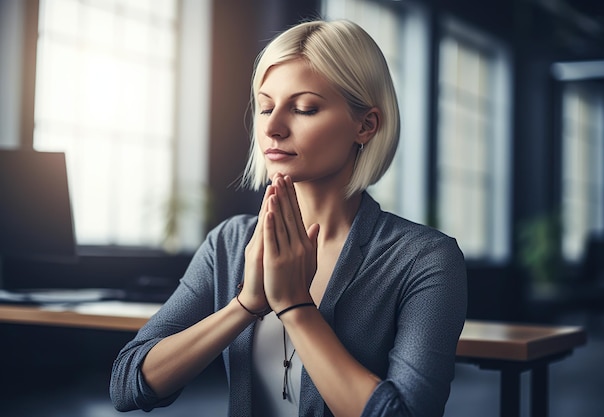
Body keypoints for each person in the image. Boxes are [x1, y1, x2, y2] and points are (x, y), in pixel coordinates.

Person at [110, 19, 467, 417]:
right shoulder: (230, 242)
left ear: (365, 125)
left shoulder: (425, 259)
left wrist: (296, 307)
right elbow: (127, 385)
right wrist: (244, 305)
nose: (273, 127)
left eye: (304, 108)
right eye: (266, 107)